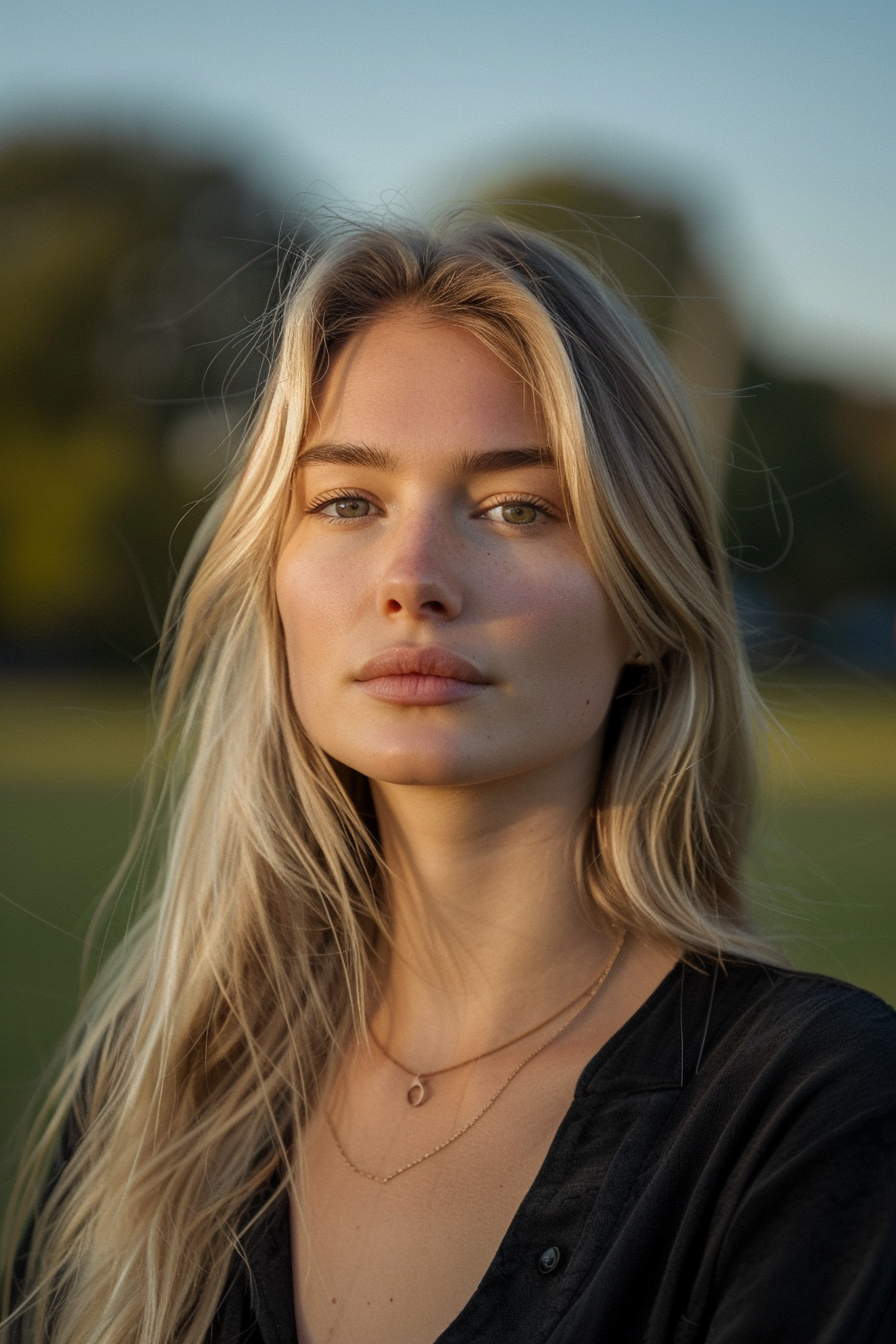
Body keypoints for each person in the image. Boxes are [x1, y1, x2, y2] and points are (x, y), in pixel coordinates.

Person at [3, 218, 896, 1344]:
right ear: (271, 578)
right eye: (347, 503)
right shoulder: (159, 1094)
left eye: (515, 507)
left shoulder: (812, 1112)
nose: (412, 579)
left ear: (647, 598)